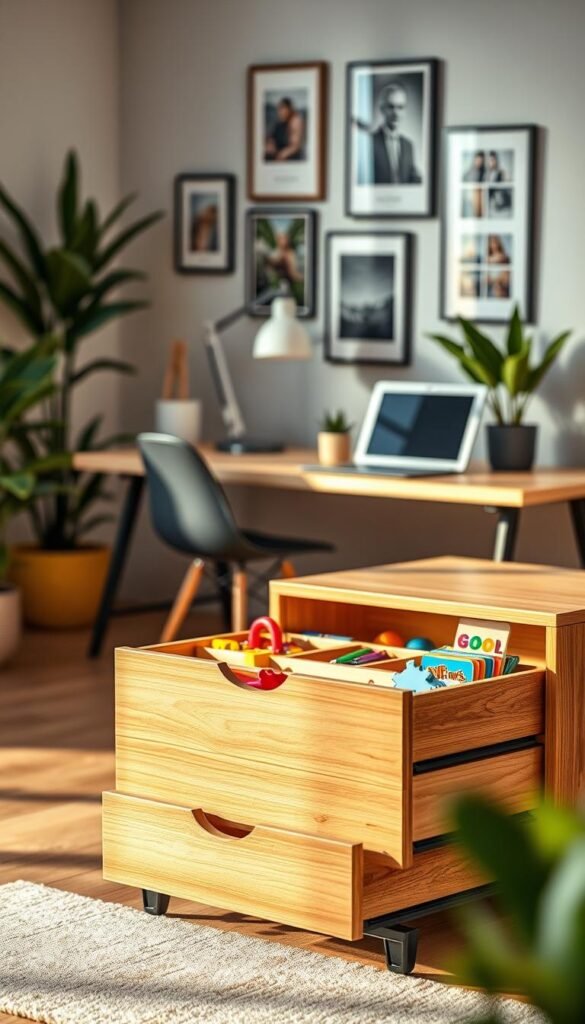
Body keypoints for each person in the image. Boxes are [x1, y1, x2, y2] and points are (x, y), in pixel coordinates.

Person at [369, 81, 421, 184]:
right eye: (391, 107)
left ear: (404, 111)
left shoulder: (408, 145)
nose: (396, 113)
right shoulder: (370, 143)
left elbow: (412, 178)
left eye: (400, 107)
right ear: (382, 109)